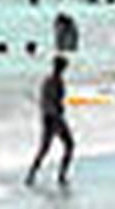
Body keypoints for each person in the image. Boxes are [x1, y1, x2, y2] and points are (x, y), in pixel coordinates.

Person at [25, 56, 74, 187]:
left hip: (48, 117)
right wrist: (57, 114)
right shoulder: (55, 81)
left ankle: (32, 174)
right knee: (69, 145)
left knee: (45, 148)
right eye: (64, 66)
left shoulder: (49, 80)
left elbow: (45, 101)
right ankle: (61, 176)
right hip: (54, 118)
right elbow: (52, 102)